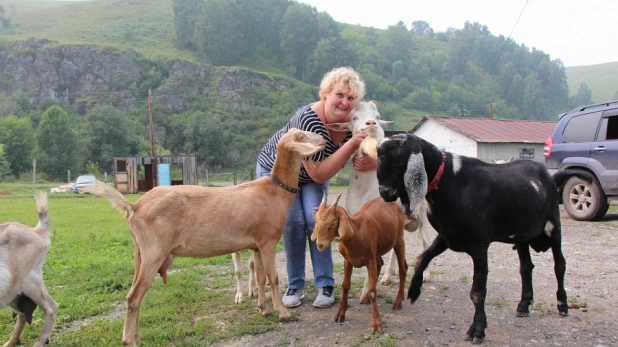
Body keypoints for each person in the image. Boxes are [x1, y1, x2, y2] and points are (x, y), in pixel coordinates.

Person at [256, 66, 377, 308]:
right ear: (326, 94)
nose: (344, 103)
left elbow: (377, 142)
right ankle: (296, 284)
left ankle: (325, 283)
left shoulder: (356, 119)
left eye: (351, 98)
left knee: (318, 220)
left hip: (309, 176)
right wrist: (353, 143)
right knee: (292, 222)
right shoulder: (308, 120)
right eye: (339, 95)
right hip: (278, 171)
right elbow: (320, 174)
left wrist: (374, 159)